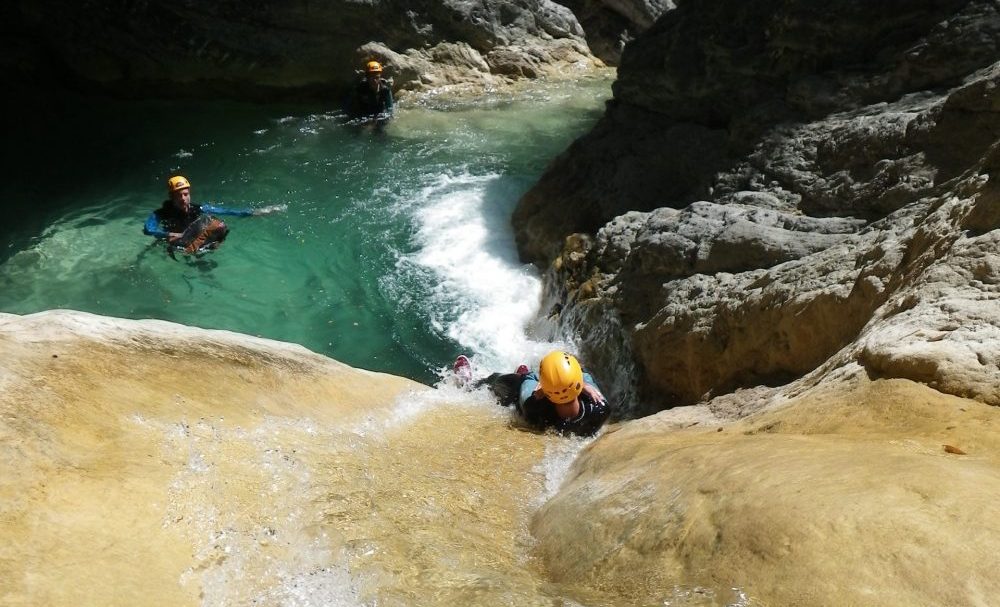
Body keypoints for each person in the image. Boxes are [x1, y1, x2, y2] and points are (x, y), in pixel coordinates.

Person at [455, 350, 611, 437]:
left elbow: (528, 384)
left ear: (544, 390)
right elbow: (583, 381)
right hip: (560, 393)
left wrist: (533, 382)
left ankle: (469, 384)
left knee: (503, 380)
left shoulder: (533, 407)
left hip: (524, 393)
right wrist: (585, 385)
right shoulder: (601, 408)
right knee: (587, 382)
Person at [142, 175, 254, 255]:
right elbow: (148, 230)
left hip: (193, 239)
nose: (183, 199)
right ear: (171, 197)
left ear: (189, 193)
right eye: (178, 195)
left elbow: (227, 211)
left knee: (217, 226)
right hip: (174, 243)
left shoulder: (198, 208)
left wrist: (252, 213)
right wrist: (169, 234)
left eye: (185, 194)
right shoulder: (161, 213)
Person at [347, 60, 394, 129]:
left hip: (379, 114)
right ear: (367, 78)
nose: (375, 81)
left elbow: (390, 109)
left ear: (380, 77)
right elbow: (350, 105)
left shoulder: (385, 90)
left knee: (380, 131)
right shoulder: (360, 89)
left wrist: (386, 120)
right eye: (372, 77)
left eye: (377, 77)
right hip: (363, 114)